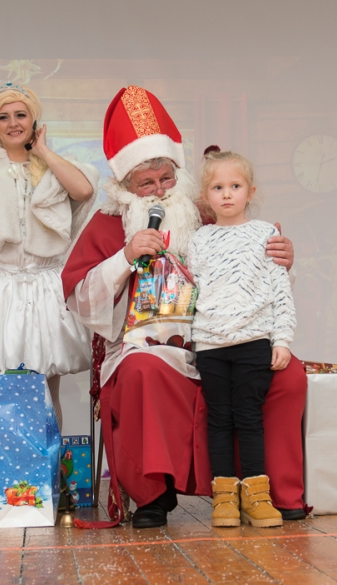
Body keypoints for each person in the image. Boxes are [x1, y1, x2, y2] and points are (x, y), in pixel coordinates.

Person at [62, 85, 306, 529]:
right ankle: (154, 497)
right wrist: (124, 257)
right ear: (124, 185)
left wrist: (282, 259)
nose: (158, 191)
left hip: (224, 337)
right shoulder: (108, 223)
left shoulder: (208, 212)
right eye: (146, 183)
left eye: (167, 178)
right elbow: (79, 297)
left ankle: (272, 491)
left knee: (287, 374)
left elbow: (256, 274)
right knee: (142, 372)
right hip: (145, 346)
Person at [0, 82, 99, 423]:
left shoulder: (55, 165)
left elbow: (84, 191)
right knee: (4, 388)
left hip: (44, 287)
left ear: (33, 119)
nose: (13, 123)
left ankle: (50, 458)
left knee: (47, 388)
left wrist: (43, 151)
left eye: (20, 115)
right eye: (3, 117)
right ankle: (8, 457)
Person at [188, 148, 297, 529]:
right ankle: (224, 498)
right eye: (218, 187)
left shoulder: (266, 233)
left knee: (249, 418)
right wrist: (190, 341)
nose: (227, 194)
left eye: (235, 186)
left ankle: (256, 496)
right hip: (211, 345)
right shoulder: (199, 239)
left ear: (250, 192)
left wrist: (282, 339)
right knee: (219, 419)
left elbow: (280, 290)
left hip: (253, 342)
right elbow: (193, 292)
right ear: (206, 196)